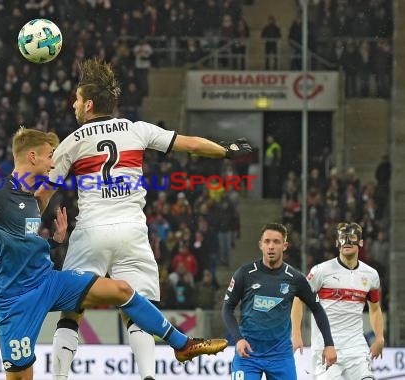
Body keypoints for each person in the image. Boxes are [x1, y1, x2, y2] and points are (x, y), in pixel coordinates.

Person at [0, 128, 228, 380]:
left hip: (48, 281)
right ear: (32, 156)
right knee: (22, 376)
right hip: (15, 300)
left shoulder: (32, 198)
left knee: (123, 290)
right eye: (50, 154)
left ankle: (182, 345)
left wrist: (54, 242)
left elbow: (26, 243)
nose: (54, 161)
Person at [34, 58, 253, 380]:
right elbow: (190, 145)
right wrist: (226, 150)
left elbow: (43, 194)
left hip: (92, 232)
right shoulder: (137, 129)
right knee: (137, 308)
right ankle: (149, 375)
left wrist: (25, 230)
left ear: (90, 104)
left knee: (72, 311)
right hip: (132, 232)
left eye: (78, 99)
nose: (74, 104)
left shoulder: (73, 141)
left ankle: (59, 377)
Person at [221, 223, 337, 379]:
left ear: (285, 246)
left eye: (276, 242)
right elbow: (227, 308)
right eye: (267, 241)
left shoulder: (295, 278)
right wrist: (238, 339)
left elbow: (317, 309)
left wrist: (329, 344)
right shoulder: (244, 273)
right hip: (248, 353)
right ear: (260, 245)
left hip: (280, 356)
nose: (271, 246)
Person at [291, 222, 384, 379]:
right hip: (326, 347)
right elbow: (298, 299)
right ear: (337, 243)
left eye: (352, 237)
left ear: (361, 243)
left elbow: (375, 308)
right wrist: (296, 333)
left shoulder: (371, 275)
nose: (347, 242)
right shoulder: (321, 271)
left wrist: (380, 337)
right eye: (342, 238)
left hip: (356, 349)